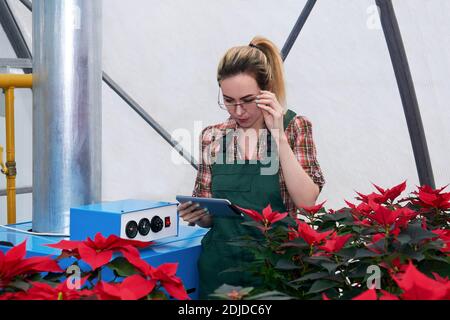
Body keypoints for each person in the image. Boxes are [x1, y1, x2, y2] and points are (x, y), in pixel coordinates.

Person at [178, 36, 325, 299]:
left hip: (277, 268)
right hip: (221, 270)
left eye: (247, 100)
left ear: (266, 91)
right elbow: (209, 216)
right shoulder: (213, 136)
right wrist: (198, 215)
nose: (238, 110)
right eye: (228, 100)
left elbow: (307, 202)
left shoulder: (294, 128)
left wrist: (278, 135)